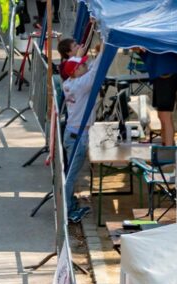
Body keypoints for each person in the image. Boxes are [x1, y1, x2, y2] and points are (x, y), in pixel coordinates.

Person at [60, 48, 103, 224]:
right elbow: (95, 69)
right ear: (75, 71)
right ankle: (68, 210)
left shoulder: (71, 82)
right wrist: (105, 48)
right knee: (71, 175)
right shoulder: (79, 85)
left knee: (72, 172)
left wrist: (85, 53)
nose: (86, 65)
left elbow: (91, 68)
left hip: (73, 132)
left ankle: (70, 205)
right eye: (82, 65)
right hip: (78, 135)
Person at [141, 50, 177, 147]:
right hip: (161, 75)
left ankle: (168, 149)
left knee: (165, 116)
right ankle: (166, 144)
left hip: (166, 75)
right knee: (162, 116)